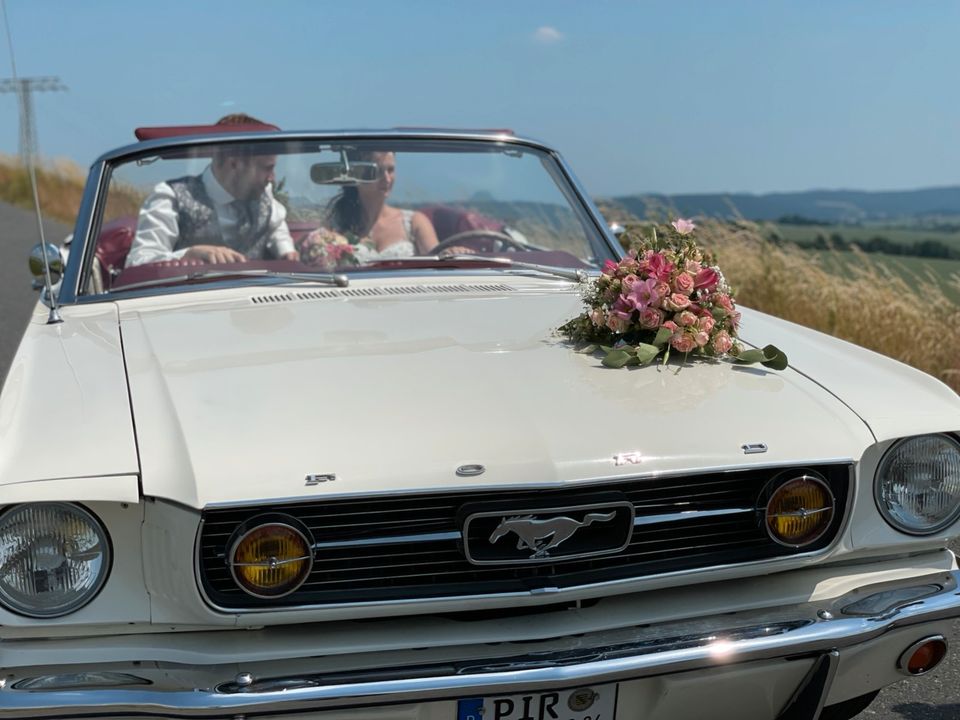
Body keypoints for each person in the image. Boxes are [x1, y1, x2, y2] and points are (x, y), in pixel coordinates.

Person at [125, 113, 298, 267]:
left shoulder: (262, 193)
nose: (272, 178)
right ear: (234, 163)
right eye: (266, 168)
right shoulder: (170, 197)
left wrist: (285, 250)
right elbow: (138, 263)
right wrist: (188, 255)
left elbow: (276, 226)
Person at [317, 150, 439, 261]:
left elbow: (439, 265)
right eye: (378, 171)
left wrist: (454, 252)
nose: (387, 179)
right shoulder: (335, 225)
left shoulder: (415, 222)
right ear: (356, 175)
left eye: (390, 170)